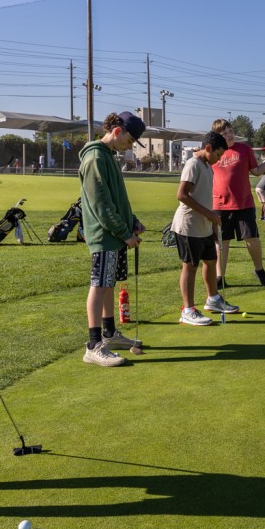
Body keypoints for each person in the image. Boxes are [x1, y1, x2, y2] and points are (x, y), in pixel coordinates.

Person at [79, 111, 147, 367]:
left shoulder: (107, 156)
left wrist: (132, 222)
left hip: (114, 234)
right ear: (117, 131)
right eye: (130, 142)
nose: (129, 147)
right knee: (99, 284)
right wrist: (124, 233)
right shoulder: (95, 157)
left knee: (108, 284)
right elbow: (102, 204)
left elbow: (118, 198)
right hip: (105, 235)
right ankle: (93, 345)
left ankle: (109, 335)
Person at [171, 131, 239, 326]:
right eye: (218, 155)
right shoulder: (193, 165)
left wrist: (212, 221)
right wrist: (209, 215)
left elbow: (204, 197)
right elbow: (182, 195)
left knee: (211, 260)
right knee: (190, 267)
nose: (219, 160)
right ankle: (188, 310)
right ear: (207, 148)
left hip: (204, 225)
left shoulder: (208, 166)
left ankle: (213, 299)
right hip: (188, 225)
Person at [211, 119, 265, 289]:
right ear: (217, 136)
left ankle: (259, 270)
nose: (229, 135)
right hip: (220, 205)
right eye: (224, 133)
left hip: (244, 203)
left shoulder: (244, 149)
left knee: (252, 239)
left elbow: (257, 171)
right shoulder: (214, 152)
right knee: (222, 243)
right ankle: (220, 277)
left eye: (230, 131)